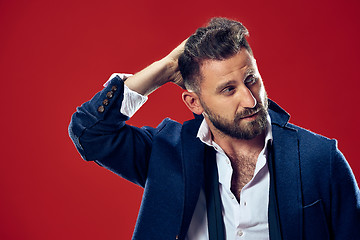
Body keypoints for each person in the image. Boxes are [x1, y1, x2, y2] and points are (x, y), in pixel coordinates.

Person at [68, 17, 360, 240]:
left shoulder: (319, 159)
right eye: (228, 89)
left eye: (251, 80)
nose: (249, 100)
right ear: (194, 103)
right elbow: (90, 133)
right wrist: (166, 68)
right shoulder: (168, 153)